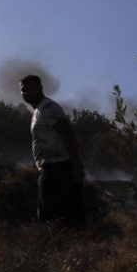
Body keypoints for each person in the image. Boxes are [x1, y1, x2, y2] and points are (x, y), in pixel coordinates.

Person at [20, 75, 85, 223]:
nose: (26, 93)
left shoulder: (48, 108)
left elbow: (67, 134)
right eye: (23, 90)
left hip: (60, 168)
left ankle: (74, 244)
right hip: (50, 168)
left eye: (30, 88)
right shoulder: (39, 111)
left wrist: (76, 164)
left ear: (40, 88)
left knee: (59, 217)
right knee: (52, 216)